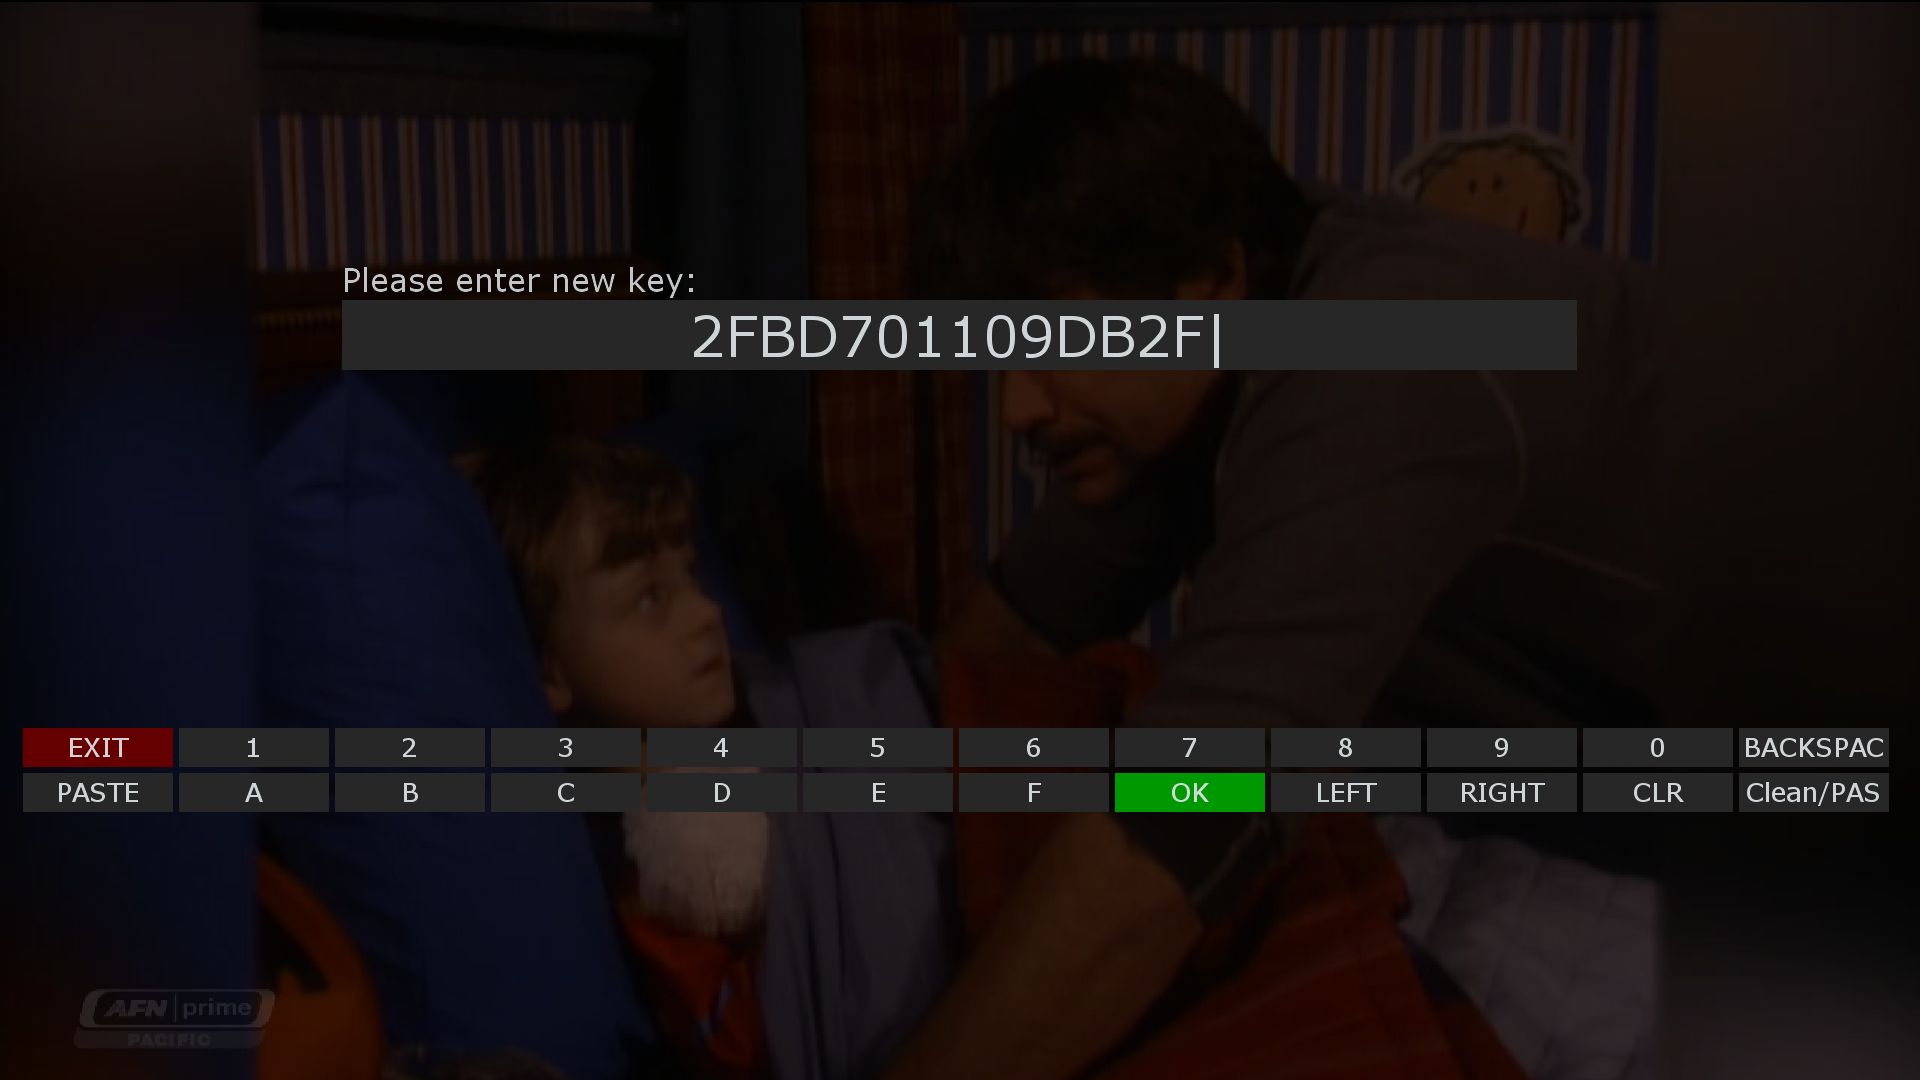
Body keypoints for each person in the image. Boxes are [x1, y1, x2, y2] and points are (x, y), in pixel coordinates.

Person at [894, 58, 1663, 1079]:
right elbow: (1010, 632)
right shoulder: (1206, 358)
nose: (1017, 407)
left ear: (1214, 278)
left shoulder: (1379, 361)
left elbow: (1178, 829)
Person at [467, 439, 772, 1075]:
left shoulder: (762, 710)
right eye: (649, 598)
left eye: (691, 574)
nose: (708, 612)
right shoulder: (636, 857)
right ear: (550, 670)